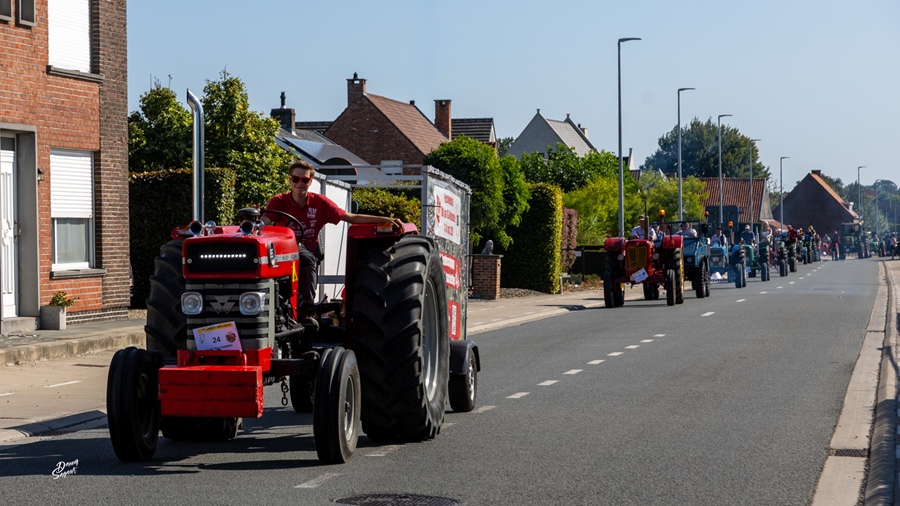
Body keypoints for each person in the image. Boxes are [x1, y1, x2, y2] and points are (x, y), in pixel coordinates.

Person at [263, 160, 404, 321]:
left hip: (306, 251)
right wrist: (253, 224)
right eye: (296, 179)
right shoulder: (278, 201)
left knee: (307, 258)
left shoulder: (320, 203)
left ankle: (308, 306)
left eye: (305, 180)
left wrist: (384, 219)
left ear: (310, 182)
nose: (299, 183)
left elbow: (350, 217)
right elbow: (264, 223)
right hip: (283, 253)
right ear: (290, 180)